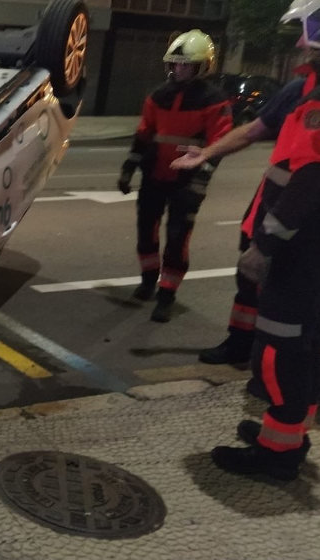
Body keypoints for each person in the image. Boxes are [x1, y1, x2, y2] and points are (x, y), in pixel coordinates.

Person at [172, 0, 320, 373]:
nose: (301, 46)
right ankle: (243, 345)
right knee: (252, 284)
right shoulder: (300, 89)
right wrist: (206, 153)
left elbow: (310, 178)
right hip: (270, 212)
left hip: (300, 225)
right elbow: (255, 129)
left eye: (308, 39)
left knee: (292, 312)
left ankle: (286, 387)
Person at [209, 81, 320, 481]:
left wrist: (264, 245)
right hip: (308, 253)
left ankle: (277, 457)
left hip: (299, 255)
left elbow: (307, 182)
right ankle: (289, 437)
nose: (300, 47)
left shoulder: (317, 109)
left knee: (280, 352)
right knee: (307, 348)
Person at [118, 30, 232, 323]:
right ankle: (147, 281)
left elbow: (217, 145)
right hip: (155, 174)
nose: (178, 69)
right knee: (146, 230)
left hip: (187, 181)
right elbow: (144, 133)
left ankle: (167, 294)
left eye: (185, 64)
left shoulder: (214, 101)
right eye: (175, 64)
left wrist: (200, 180)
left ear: (202, 66)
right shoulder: (158, 95)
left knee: (178, 237)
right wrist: (128, 168)